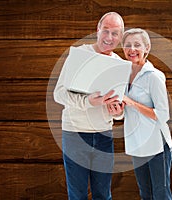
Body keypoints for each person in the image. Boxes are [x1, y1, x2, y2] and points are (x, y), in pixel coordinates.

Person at [54, 12, 125, 200]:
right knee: (77, 195)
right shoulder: (80, 55)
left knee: (103, 194)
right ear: (98, 30)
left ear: (120, 37)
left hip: (104, 136)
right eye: (106, 31)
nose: (109, 38)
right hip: (75, 135)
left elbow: (118, 109)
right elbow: (58, 93)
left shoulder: (120, 64)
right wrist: (88, 102)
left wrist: (118, 113)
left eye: (115, 33)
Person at [109, 28, 172, 200]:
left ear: (147, 48)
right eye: (128, 45)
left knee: (161, 194)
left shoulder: (154, 76)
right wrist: (118, 112)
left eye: (137, 45)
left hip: (157, 145)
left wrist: (132, 103)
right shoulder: (122, 75)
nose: (132, 49)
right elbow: (123, 114)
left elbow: (163, 115)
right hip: (137, 144)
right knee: (145, 194)